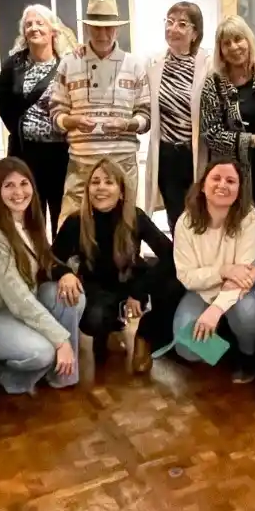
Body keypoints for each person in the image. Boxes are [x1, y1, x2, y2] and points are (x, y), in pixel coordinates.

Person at [52, 158, 178, 380]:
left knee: (172, 282)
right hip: (96, 286)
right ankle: (110, 327)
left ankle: (145, 337)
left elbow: (170, 254)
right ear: (87, 189)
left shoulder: (135, 216)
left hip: (131, 281)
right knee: (95, 320)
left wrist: (138, 292)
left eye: (109, 182)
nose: (101, 187)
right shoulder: (76, 221)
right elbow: (51, 259)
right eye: (95, 182)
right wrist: (65, 273)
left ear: (121, 191)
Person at [0, 158, 83, 390]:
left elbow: (46, 260)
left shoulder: (29, 222)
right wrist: (61, 340)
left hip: (21, 308)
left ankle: (62, 374)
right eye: (9, 185)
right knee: (43, 351)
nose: (18, 192)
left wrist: (66, 273)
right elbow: (18, 299)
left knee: (71, 296)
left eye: (23, 183)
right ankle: (2, 375)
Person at [49, 0, 151, 223]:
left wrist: (127, 124)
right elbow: (55, 114)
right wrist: (73, 121)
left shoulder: (134, 65)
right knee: (70, 223)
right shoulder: (69, 63)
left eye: (108, 28)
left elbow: (146, 116)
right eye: (96, 28)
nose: (103, 35)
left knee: (126, 224)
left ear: (117, 29)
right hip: (81, 162)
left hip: (122, 162)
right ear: (87, 28)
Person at [171, 159, 255, 383]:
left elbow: (244, 274)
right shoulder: (185, 222)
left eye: (231, 181)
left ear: (239, 190)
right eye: (216, 178)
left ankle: (248, 354)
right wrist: (223, 271)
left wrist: (215, 310)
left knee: (248, 314)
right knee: (186, 348)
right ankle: (224, 344)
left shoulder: (249, 218)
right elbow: (186, 276)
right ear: (203, 186)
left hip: (241, 291)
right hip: (202, 290)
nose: (222, 185)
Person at [0, 4, 73, 237]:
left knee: (61, 212)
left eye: (40, 23)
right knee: (29, 211)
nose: (34, 28)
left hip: (61, 153)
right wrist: (24, 130)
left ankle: (59, 255)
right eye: (28, 24)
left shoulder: (67, 64)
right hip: (25, 152)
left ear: (53, 31)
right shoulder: (13, 65)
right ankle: (34, 254)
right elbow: (4, 105)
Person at [199, 16, 255, 220]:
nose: (234, 47)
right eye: (226, 43)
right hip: (236, 173)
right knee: (244, 226)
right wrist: (254, 140)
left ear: (249, 40)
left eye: (238, 39)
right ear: (220, 50)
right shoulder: (214, 83)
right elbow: (210, 134)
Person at [144, 1, 213, 232]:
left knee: (201, 215)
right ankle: (179, 256)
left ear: (195, 33)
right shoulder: (154, 64)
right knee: (176, 219)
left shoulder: (208, 64)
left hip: (194, 153)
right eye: (170, 22)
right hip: (166, 156)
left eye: (182, 24)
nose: (173, 29)